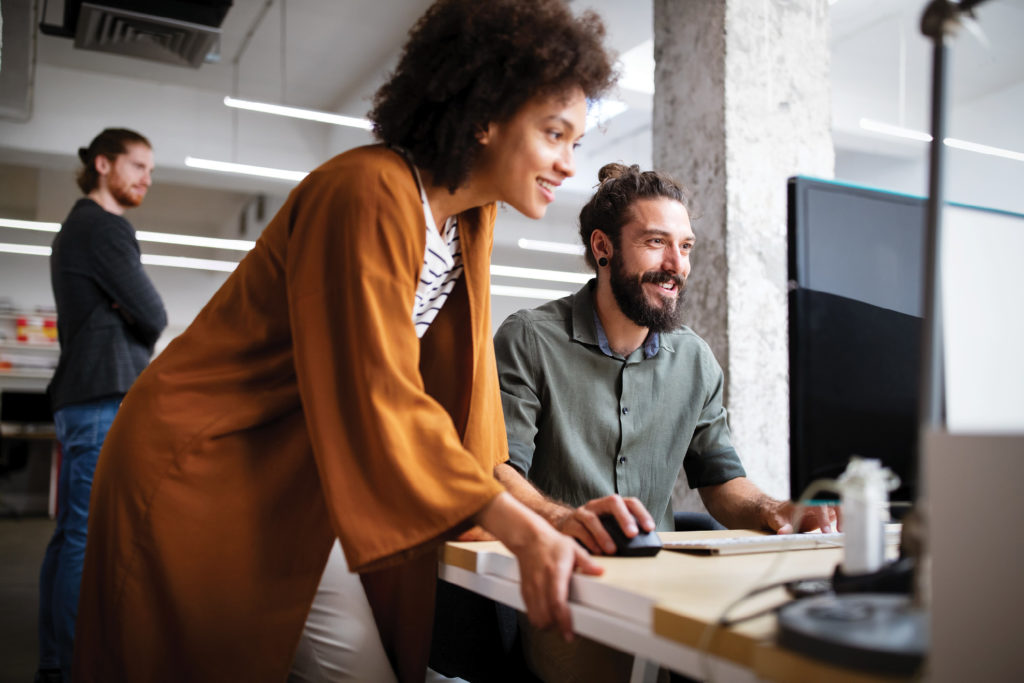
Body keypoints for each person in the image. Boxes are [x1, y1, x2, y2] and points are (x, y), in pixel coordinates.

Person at [71, 2, 616, 682]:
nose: (568, 164)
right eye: (554, 134)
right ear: (485, 116)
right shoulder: (367, 190)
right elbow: (378, 388)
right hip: (204, 463)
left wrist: (546, 514)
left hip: (293, 477)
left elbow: (459, 413)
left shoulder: (467, 222)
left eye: (576, 142)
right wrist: (518, 527)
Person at [491, 163, 836, 682]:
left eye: (687, 246)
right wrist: (562, 519)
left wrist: (775, 509)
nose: (676, 265)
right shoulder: (530, 340)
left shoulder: (694, 359)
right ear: (604, 247)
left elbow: (721, 481)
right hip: (569, 585)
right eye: (656, 242)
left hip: (664, 582)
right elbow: (496, 471)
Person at [36, 128, 167, 683]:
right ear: (103, 164)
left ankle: (54, 663)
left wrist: (124, 309)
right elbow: (154, 314)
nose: (146, 179)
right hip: (100, 398)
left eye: (150, 171)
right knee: (85, 538)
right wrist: (128, 309)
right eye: (137, 166)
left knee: (70, 534)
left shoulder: (76, 228)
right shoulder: (104, 228)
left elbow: (135, 312)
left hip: (80, 397)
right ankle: (69, 667)